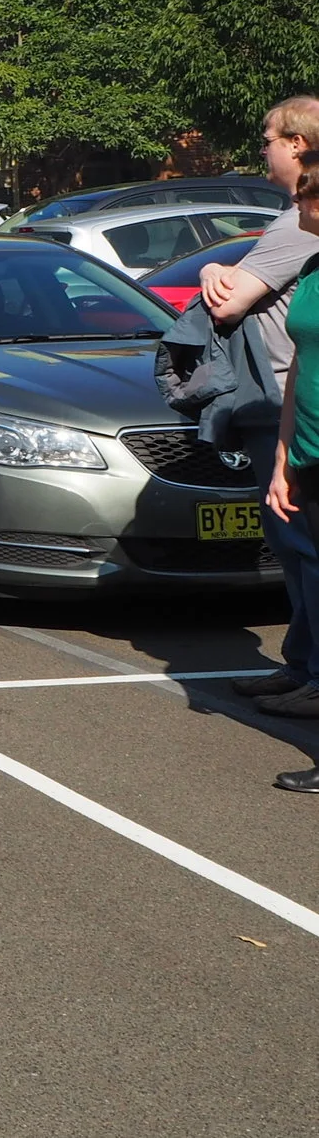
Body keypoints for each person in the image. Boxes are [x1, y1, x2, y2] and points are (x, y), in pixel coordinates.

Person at [202, 98, 319, 725]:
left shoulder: (297, 225)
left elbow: (228, 303)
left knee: (301, 548)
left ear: (297, 144)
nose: (263, 150)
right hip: (286, 409)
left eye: (269, 139)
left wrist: (217, 271)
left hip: (281, 404)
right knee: (294, 549)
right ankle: (301, 665)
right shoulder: (297, 224)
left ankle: (313, 674)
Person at [264, 155, 319, 792]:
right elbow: (300, 370)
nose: (296, 206)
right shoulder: (312, 269)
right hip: (311, 455)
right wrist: (284, 460)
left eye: (306, 197)